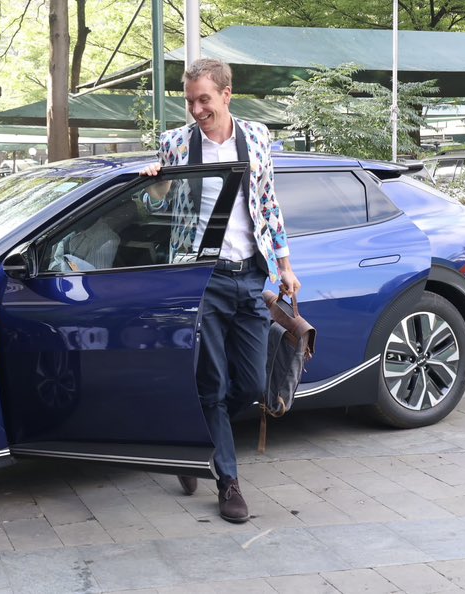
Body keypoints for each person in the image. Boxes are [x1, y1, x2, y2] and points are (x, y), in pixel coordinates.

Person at [141, 58, 301, 523]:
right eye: (189, 100)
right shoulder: (176, 143)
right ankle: (228, 483)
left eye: (204, 99)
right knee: (212, 383)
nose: (195, 109)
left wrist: (285, 266)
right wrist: (156, 182)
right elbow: (160, 203)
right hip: (201, 279)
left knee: (251, 384)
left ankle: (195, 441)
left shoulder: (257, 138)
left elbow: (269, 205)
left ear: (227, 94)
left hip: (251, 274)